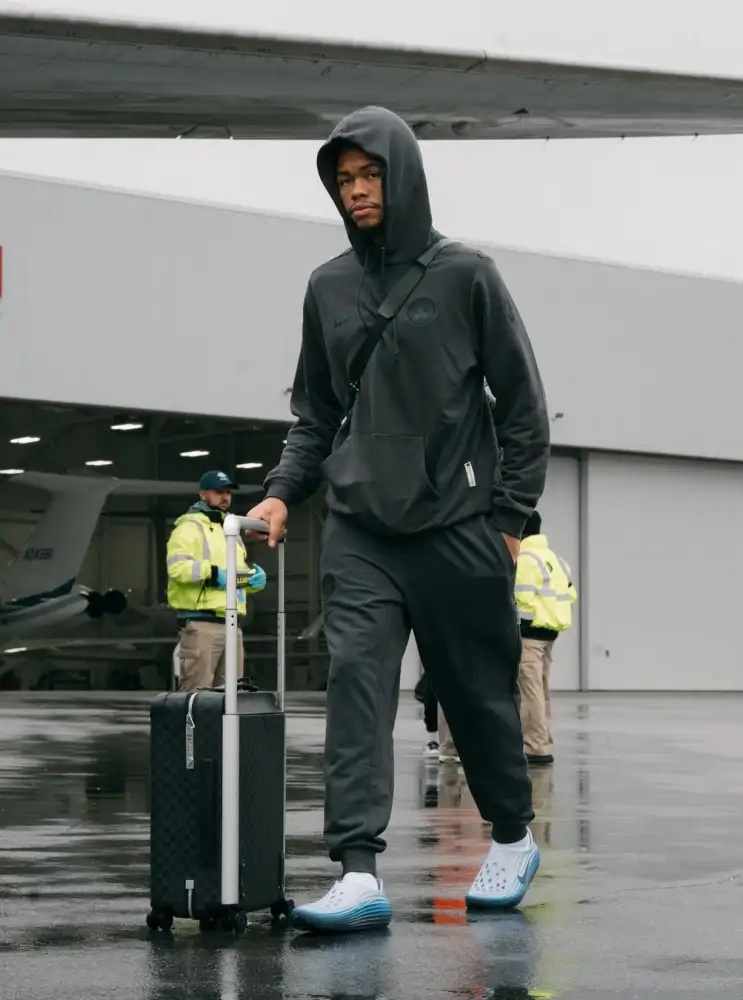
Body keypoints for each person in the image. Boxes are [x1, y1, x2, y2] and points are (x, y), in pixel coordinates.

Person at [248, 105, 550, 934]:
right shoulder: (328, 286)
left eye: (369, 174)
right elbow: (314, 413)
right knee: (355, 686)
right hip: (359, 527)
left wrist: (509, 519)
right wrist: (282, 490)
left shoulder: (467, 276)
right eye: (343, 180)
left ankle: (513, 836)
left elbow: (524, 407)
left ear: (403, 175)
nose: (356, 191)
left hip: (457, 524)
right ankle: (357, 869)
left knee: (475, 694)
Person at [166, 470, 266, 691]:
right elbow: (177, 567)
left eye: (228, 492)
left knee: (232, 697)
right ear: (203, 494)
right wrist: (212, 574)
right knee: (196, 693)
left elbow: (234, 577)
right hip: (202, 624)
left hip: (232, 625)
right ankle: (192, 728)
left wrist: (251, 580)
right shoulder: (189, 527)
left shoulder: (230, 530)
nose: (225, 497)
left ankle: (218, 729)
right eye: (218, 492)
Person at [515, 512, 577, 766]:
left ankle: (536, 747)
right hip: (550, 633)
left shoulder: (525, 559)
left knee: (530, 691)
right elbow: (570, 594)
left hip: (528, 634)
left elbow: (519, 599)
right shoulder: (555, 558)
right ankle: (544, 738)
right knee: (541, 689)